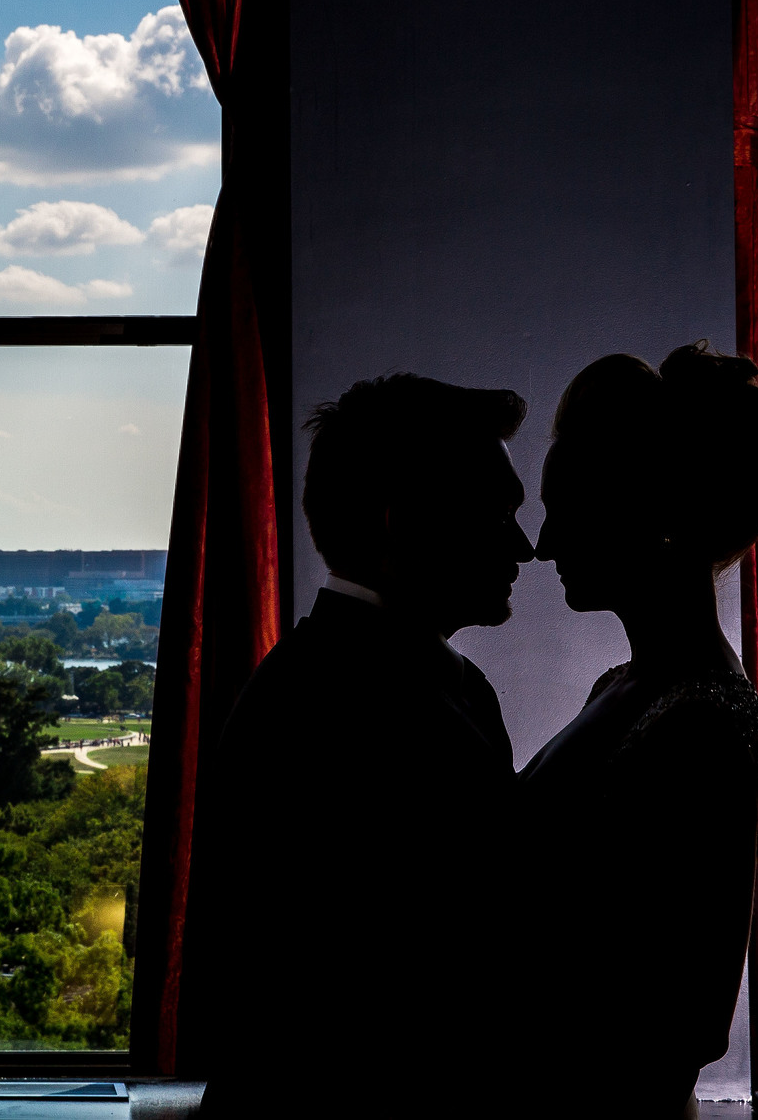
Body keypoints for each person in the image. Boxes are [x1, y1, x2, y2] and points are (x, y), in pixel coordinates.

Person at [190, 373, 536, 1115]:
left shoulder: (334, 682)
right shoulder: (352, 708)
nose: (524, 545)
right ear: (398, 524)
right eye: (494, 513)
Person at [521, 342, 758, 1117]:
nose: (544, 542)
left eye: (568, 509)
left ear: (657, 520)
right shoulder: (629, 687)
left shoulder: (703, 722)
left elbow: (683, 1018)